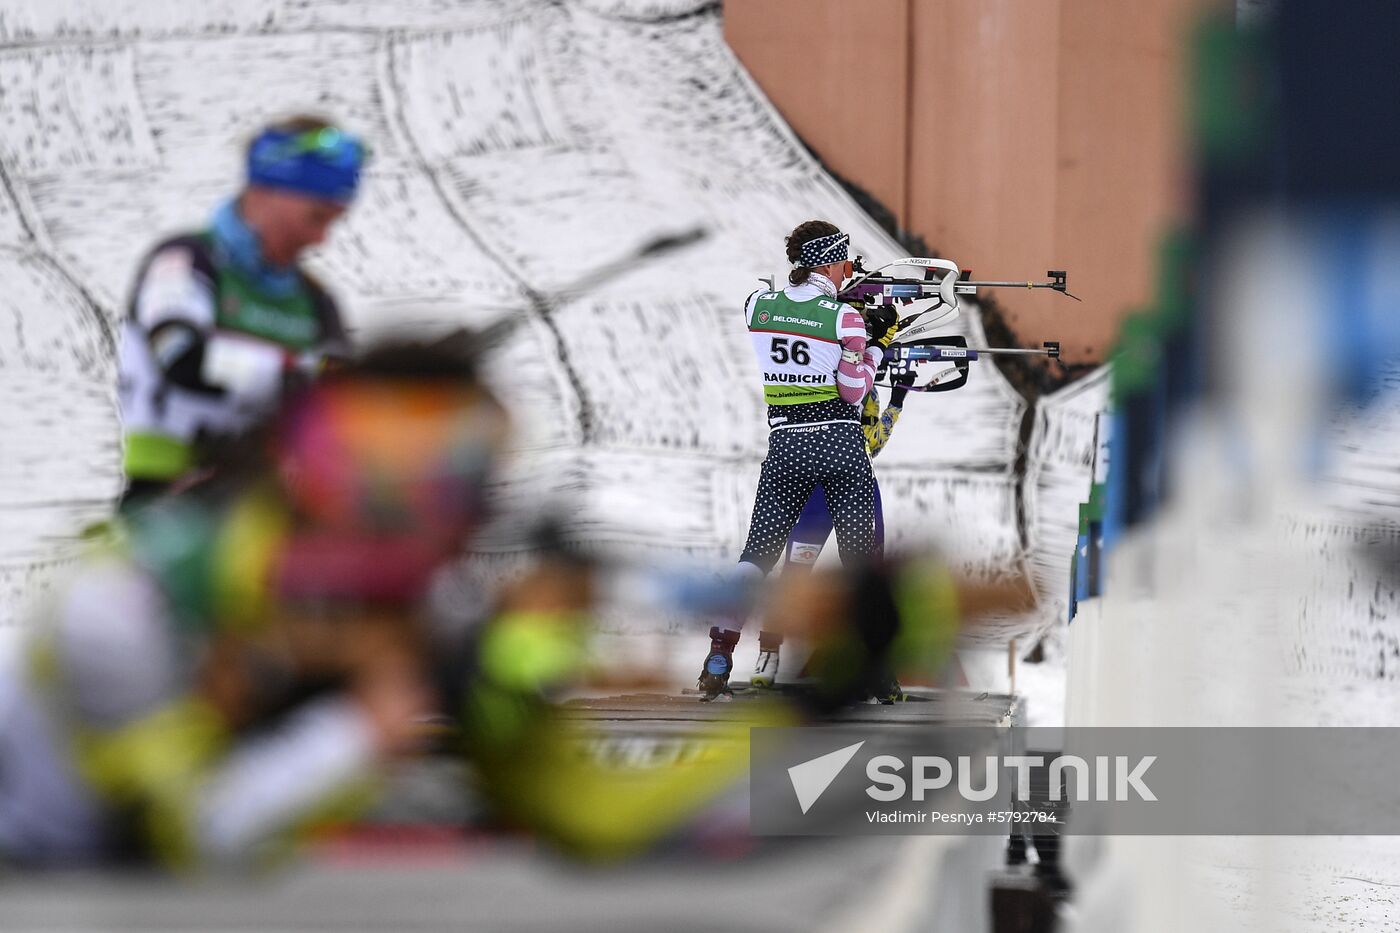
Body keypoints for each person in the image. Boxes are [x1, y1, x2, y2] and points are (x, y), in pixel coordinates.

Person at [0, 332, 507, 869]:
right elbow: (192, 835)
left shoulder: (433, 604)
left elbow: (588, 816)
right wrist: (361, 730)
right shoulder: (118, 607)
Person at [117, 115, 365, 506]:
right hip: (166, 498)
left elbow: (339, 396)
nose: (320, 238)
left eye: (334, 222)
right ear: (267, 191)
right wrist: (292, 372)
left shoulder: (315, 299)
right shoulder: (185, 261)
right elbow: (179, 354)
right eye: (315, 217)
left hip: (264, 506)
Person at [697, 220, 884, 700]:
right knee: (862, 558)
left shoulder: (757, 305)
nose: (848, 271)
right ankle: (875, 667)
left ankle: (720, 653)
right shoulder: (845, 318)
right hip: (839, 442)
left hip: (786, 444)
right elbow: (853, 389)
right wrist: (874, 351)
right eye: (844, 261)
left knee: (757, 553)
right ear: (830, 260)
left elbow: (793, 321)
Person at [750, 329, 918, 691]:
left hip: (855, 484)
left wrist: (896, 399)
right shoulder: (820, 369)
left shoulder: (863, 382)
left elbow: (871, 444)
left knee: (869, 577)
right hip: (816, 491)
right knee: (795, 572)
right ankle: (769, 651)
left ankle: (877, 663)